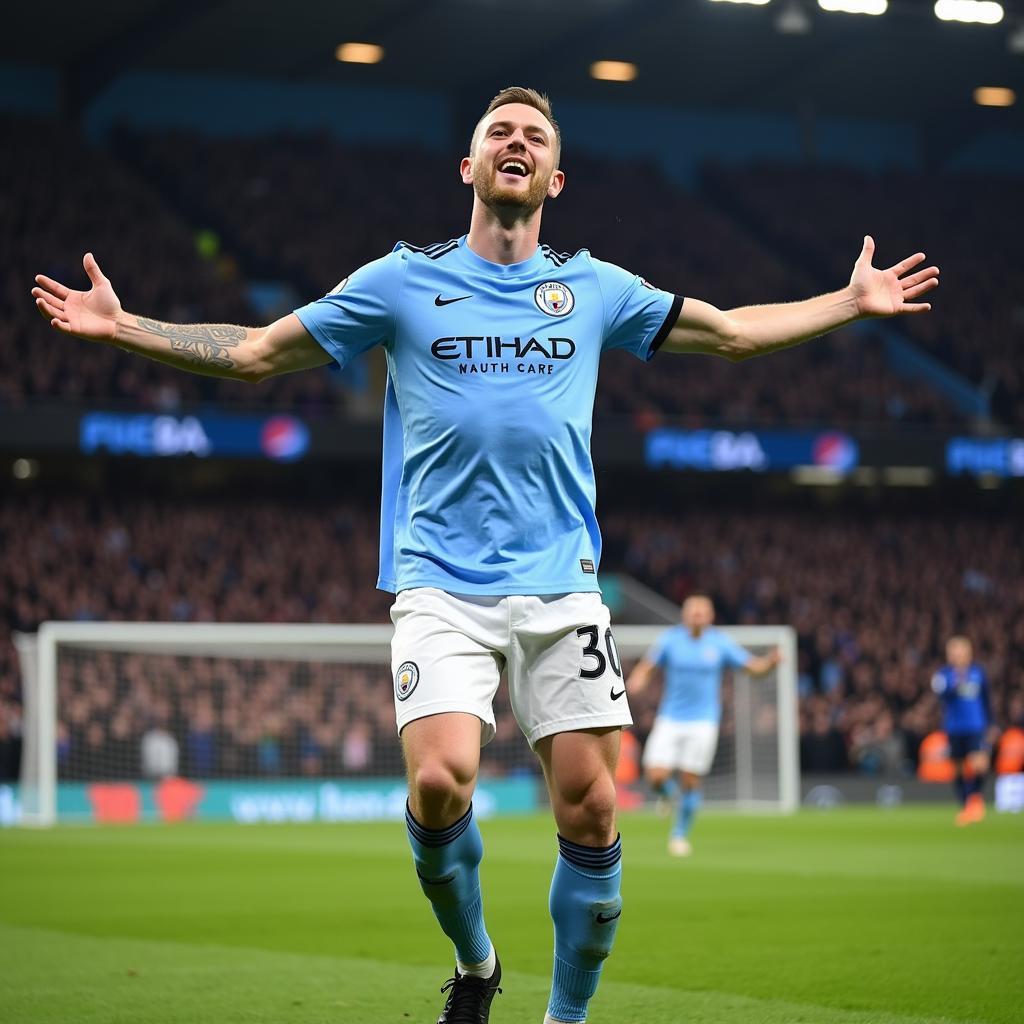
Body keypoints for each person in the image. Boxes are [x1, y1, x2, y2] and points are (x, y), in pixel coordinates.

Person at [31, 85, 939, 1024]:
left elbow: (734, 335)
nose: (516, 142)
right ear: (468, 168)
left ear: (556, 176)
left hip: (563, 592)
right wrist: (124, 326)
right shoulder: (398, 280)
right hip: (440, 586)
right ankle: (477, 962)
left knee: (590, 812)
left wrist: (848, 301)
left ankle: (566, 1018)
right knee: (436, 780)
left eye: (534, 137)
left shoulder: (593, 287)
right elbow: (260, 352)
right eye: (497, 132)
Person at [626, 594, 781, 856]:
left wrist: (770, 664)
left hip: (703, 722)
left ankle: (679, 835)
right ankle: (668, 795)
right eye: (692, 610)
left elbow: (752, 668)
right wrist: (637, 680)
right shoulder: (671, 640)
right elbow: (647, 667)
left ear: (710, 616)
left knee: (690, 779)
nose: (697, 614)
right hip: (670, 718)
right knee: (655, 776)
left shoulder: (720, 644)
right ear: (684, 614)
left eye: (702, 610)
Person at [931, 635, 994, 826]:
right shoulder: (943, 675)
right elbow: (942, 696)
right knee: (958, 768)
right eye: (954, 652)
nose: (958, 655)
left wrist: (992, 723)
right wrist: (956, 681)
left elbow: (986, 700)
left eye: (961, 651)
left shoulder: (978, 673)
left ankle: (974, 798)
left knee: (980, 764)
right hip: (954, 727)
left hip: (976, 726)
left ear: (969, 653)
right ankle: (966, 805)